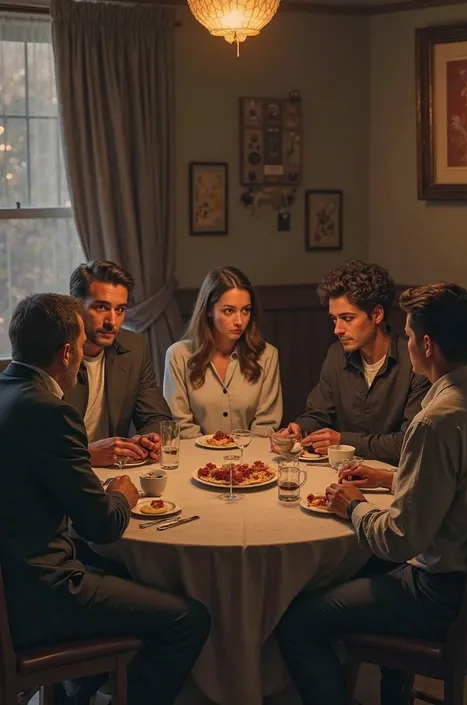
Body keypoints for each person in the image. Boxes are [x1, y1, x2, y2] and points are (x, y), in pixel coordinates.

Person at [0, 293, 210, 705]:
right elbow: (103, 526)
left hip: (13, 580)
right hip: (43, 595)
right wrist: (121, 494)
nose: (82, 356)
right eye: (80, 347)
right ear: (65, 353)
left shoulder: (7, 390)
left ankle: (76, 691)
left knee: (132, 578)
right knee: (189, 618)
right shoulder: (51, 412)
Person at [275, 282, 467, 705]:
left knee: (296, 621)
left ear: (426, 344)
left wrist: (353, 506)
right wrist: (393, 481)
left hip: (441, 594)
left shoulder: (434, 422)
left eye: (407, 335)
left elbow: (401, 539)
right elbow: (456, 487)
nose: (405, 343)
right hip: (463, 584)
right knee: (357, 574)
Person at [272, 260, 430, 464]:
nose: (337, 329)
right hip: (342, 473)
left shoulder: (414, 363)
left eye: (347, 318)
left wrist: (344, 440)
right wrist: (300, 428)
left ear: (377, 314)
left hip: (393, 479)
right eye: (334, 319)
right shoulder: (336, 355)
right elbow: (320, 414)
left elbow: (409, 442)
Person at [64, 260, 172, 467]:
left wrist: (147, 440)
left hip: (115, 471)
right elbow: (31, 445)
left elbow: (157, 418)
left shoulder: (135, 347)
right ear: (75, 306)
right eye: (101, 307)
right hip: (62, 474)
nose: (112, 322)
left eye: (120, 309)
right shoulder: (52, 353)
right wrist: (86, 454)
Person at [163, 266, 283, 438]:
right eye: (229, 311)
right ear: (209, 310)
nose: (239, 321)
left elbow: (266, 424)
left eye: (246, 310)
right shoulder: (178, 355)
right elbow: (180, 423)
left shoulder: (267, 355)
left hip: (250, 458)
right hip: (195, 459)